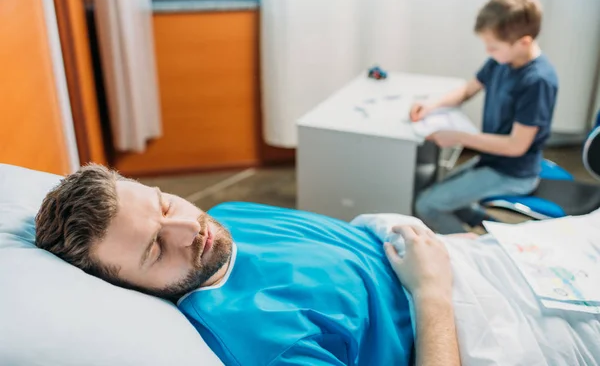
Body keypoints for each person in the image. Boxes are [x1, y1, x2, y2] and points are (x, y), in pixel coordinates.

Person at [35, 164, 464, 366]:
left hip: (459, 260)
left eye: (164, 204)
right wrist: (432, 293)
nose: (189, 227)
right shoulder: (264, 347)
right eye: (155, 250)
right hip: (458, 325)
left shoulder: (230, 214)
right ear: (128, 287)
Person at [410, 0, 558, 234]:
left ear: (524, 42)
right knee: (442, 196)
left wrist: (458, 137)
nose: (488, 52)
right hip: (493, 161)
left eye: (493, 48)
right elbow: (468, 90)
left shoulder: (538, 81)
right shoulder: (503, 60)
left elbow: (516, 146)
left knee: (427, 205)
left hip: (514, 172)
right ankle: (495, 232)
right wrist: (432, 106)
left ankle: (475, 253)